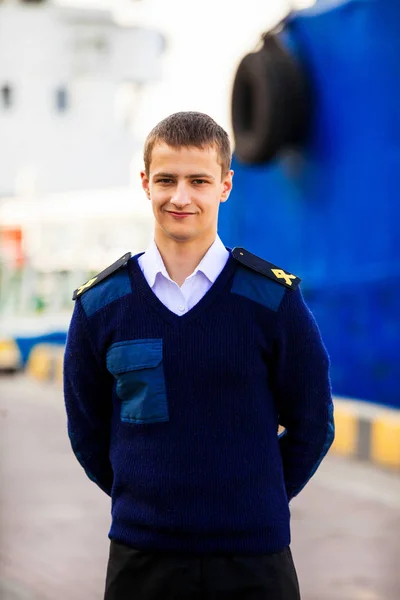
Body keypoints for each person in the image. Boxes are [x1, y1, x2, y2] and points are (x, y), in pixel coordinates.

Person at [63, 111, 334, 600]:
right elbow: (87, 431)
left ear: (225, 186)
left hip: (254, 561)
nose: (181, 197)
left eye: (199, 180)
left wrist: (257, 498)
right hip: (142, 560)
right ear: (146, 183)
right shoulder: (101, 306)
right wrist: (147, 504)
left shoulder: (271, 300)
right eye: (166, 180)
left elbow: (313, 423)